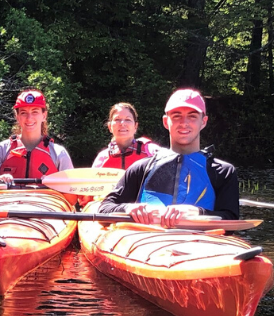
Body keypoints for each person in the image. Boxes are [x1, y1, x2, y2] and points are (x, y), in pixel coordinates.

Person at [98, 89, 239, 227]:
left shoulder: (223, 172)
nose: (184, 123)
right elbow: (104, 209)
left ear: (203, 121)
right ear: (166, 122)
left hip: (202, 242)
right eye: (177, 116)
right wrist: (128, 208)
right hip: (149, 243)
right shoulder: (141, 168)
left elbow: (231, 219)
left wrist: (198, 212)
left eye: (192, 116)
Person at [0, 89, 74, 183]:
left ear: (44, 115)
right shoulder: (1, 150)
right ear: (17, 116)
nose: (29, 118)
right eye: (23, 113)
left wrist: (54, 184)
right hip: (11, 198)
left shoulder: (59, 154)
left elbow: (71, 193)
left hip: (45, 198)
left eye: (35, 112)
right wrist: (0, 181)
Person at [92, 103, 161, 169]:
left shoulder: (151, 151)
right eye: (117, 119)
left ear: (135, 126)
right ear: (110, 127)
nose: (122, 123)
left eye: (128, 120)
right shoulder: (102, 158)